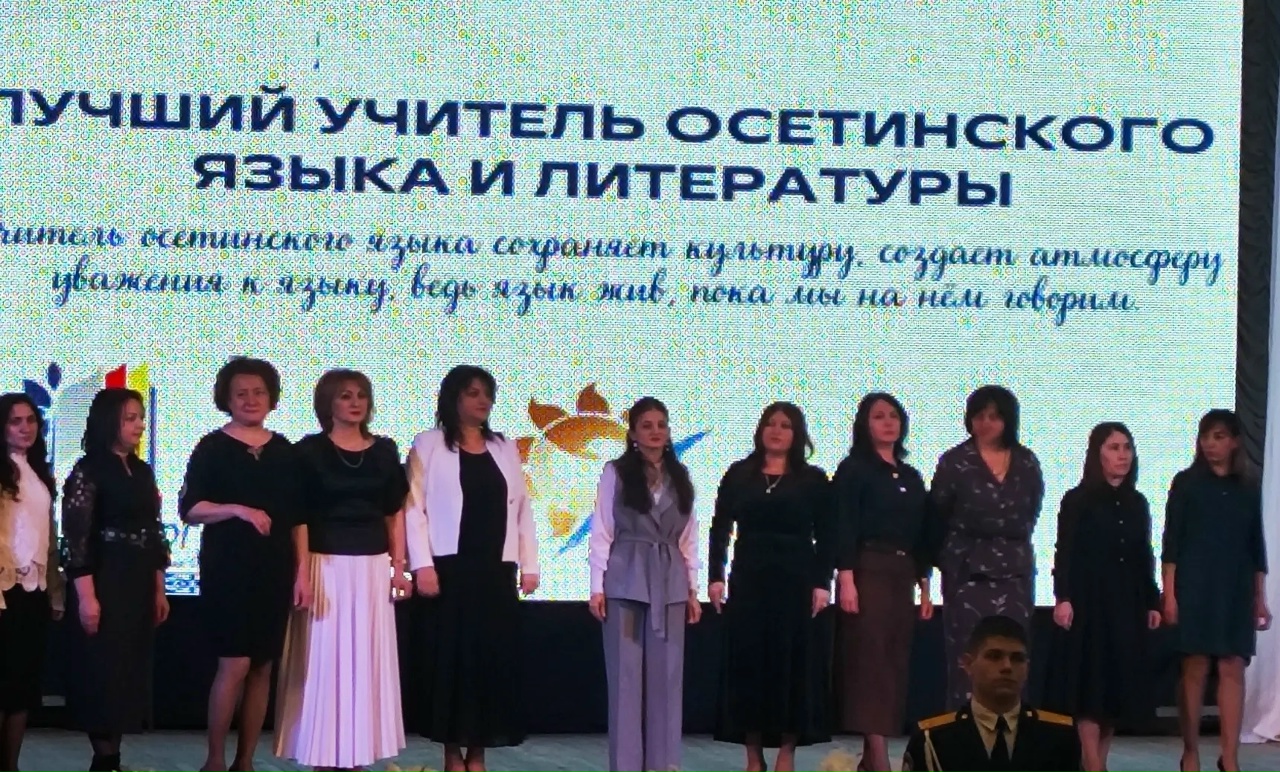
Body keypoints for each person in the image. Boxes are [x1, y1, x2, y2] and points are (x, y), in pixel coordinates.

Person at [404, 365, 539, 772]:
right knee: (450, 661)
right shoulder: (429, 444)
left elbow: (522, 508)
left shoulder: (504, 447)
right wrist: (421, 565)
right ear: (454, 398)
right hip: (448, 569)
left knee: (488, 661)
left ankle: (477, 753)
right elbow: (413, 508)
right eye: (473, 393)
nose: (482, 401)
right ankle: (451, 753)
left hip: (494, 570)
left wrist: (529, 563)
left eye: (487, 393)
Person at [275, 370, 411, 772]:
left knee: (364, 665)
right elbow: (298, 518)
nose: (355, 403)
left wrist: (398, 568)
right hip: (326, 566)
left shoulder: (384, 452)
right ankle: (323, 755)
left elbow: (394, 514)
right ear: (328, 403)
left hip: (371, 570)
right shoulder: (309, 452)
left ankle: (357, 756)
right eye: (345, 396)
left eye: (361, 396)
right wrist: (301, 574)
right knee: (326, 665)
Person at [179, 357, 307, 772]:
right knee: (233, 662)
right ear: (227, 399)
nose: (251, 400)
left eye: (259, 392)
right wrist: (237, 509)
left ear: (271, 398)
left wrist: (302, 573)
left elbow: (298, 519)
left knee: (263, 667)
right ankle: (215, 760)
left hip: (274, 569)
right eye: (241, 393)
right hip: (228, 568)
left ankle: (246, 761)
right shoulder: (212, 448)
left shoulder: (285, 451)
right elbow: (191, 509)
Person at [708, 402, 833, 772]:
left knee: (792, 666)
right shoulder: (739, 475)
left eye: (786, 425)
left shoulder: (812, 480)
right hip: (749, 579)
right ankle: (753, 757)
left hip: (796, 581)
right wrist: (716, 576)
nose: (777, 431)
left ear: (798, 435)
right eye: (771, 424)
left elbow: (827, 536)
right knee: (750, 666)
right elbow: (720, 528)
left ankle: (786, 755)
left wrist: (822, 582)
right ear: (761, 430)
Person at [588, 397, 701, 772]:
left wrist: (692, 589)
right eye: (647, 425)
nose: (655, 432)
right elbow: (602, 530)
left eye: (661, 425)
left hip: (669, 580)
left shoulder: (680, 476)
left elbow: (689, 538)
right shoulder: (616, 473)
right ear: (634, 433)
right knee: (625, 678)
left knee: (667, 678)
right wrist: (597, 586)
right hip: (626, 577)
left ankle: (663, 765)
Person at [61, 388, 171, 772]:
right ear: (110, 422)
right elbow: (77, 537)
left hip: (138, 581)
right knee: (101, 671)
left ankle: (112, 759)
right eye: (130, 418)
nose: (139, 425)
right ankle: (104, 760)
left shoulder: (141, 471)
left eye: (140, 417)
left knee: (127, 671)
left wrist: (159, 588)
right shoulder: (88, 470)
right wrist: (87, 597)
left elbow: (155, 532)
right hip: (104, 577)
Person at [1044, 422, 1161, 772]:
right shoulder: (1078, 500)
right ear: (1097, 454)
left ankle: (1098, 763)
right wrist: (1063, 596)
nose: (1122, 455)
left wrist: (1152, 601)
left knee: (1114, 691)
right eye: (1113, 448)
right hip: (1089, 603)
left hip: (1127, 603)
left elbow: (1144, 555)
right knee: (1090, 690)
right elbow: (1065, 551)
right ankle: (1093, 765)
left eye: (1127, 447)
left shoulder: (1137, 503)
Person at [1161, 409, 1271, 772]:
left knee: (1232, 666)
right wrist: (1170, 594)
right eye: (1206, 436)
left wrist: (1260, 598)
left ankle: (1230, 757)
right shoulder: (1187, 483)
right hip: (1195, 585)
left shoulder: (1247, 487)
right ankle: (1191, 752)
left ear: (1235, 441)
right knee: (1194, 666)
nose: (1210, 444)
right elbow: (1172, 544)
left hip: (1236, 587)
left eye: (1219, 436)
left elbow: (1256, 547)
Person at [833, 393, 935, 772]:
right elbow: (843, 524)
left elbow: (923, 533)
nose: (888, 422)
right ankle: (879, 758)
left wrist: (925, 584)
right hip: (868, 567)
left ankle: (870, 757)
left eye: (894, 416)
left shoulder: (911, 476)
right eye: (879, 416)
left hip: (903, 572)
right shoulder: (854, 470)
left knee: (893, 664)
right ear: (865, 424)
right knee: (869, 663)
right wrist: (846, 578)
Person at [930, 385, 1043, 708]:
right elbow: (937, 516)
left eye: (994, 416)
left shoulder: (1026, 462)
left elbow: (1031, 512)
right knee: (969, 657)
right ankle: (964, 733)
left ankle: (1011, 733)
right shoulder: (955, 462)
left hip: (1014, 575)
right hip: (968, 574)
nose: (986, 423)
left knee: (1012, 657)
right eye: (979, 416)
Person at [902, 615, 1081, 772]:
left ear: (1027, 668)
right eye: (994, 656)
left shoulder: (1059, 737)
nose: (1007, 666)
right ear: (968, 664)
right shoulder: (932, 742)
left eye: (1017, 659)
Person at [0, 393, 64, 772]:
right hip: (4, 589)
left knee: (22, 687)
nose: (25, 428)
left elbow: (48, 539)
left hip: (34, 592)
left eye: (31, 420)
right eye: (15, 421)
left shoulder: (39, 473)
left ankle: (12, 764)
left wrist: (55, 592)